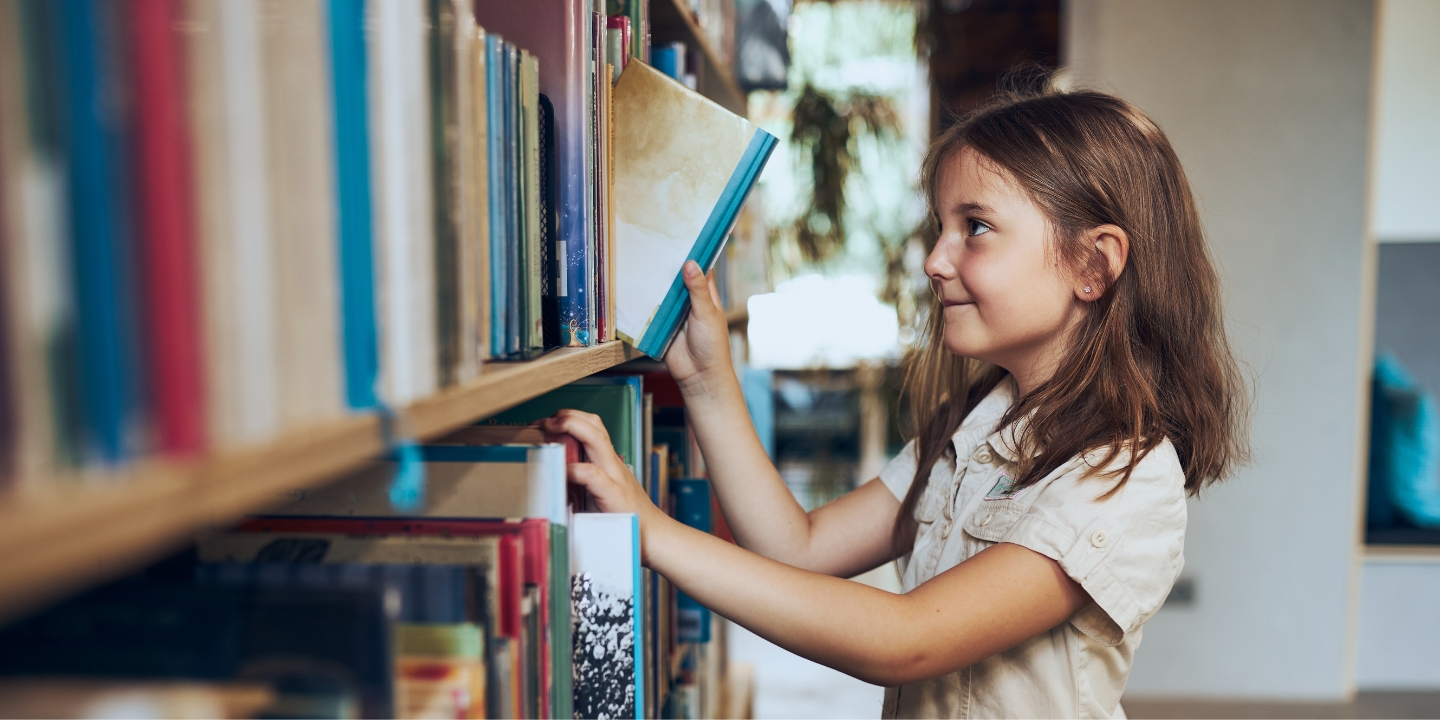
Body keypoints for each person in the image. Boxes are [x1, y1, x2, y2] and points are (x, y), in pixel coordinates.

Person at [543, 85, 1250, 718]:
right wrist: (705, 379)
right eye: (939, 227)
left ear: (1092, 265)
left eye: (974, 227)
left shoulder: (1119, 473)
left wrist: (652, 532)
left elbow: (907, 640)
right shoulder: (974, 428)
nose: (935, 260)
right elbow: (802, 548)